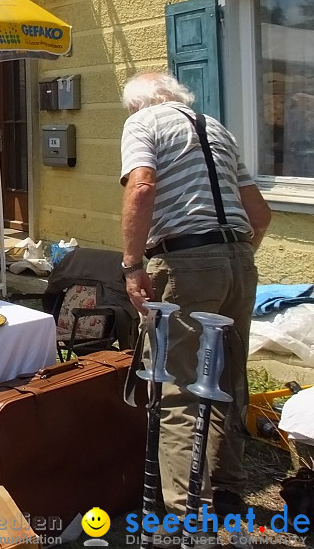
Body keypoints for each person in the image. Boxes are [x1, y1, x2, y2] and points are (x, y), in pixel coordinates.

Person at [120, 72, 272, 518]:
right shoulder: (216, 128)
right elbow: (259, 213)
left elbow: (142, 186)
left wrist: (132, 265)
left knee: (178, 388)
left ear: (137, 105)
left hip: (187, 260)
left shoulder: (143, 123)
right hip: (238, 258)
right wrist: (233, 257)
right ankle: (228, 487)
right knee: (227, 377)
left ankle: (188, 514)